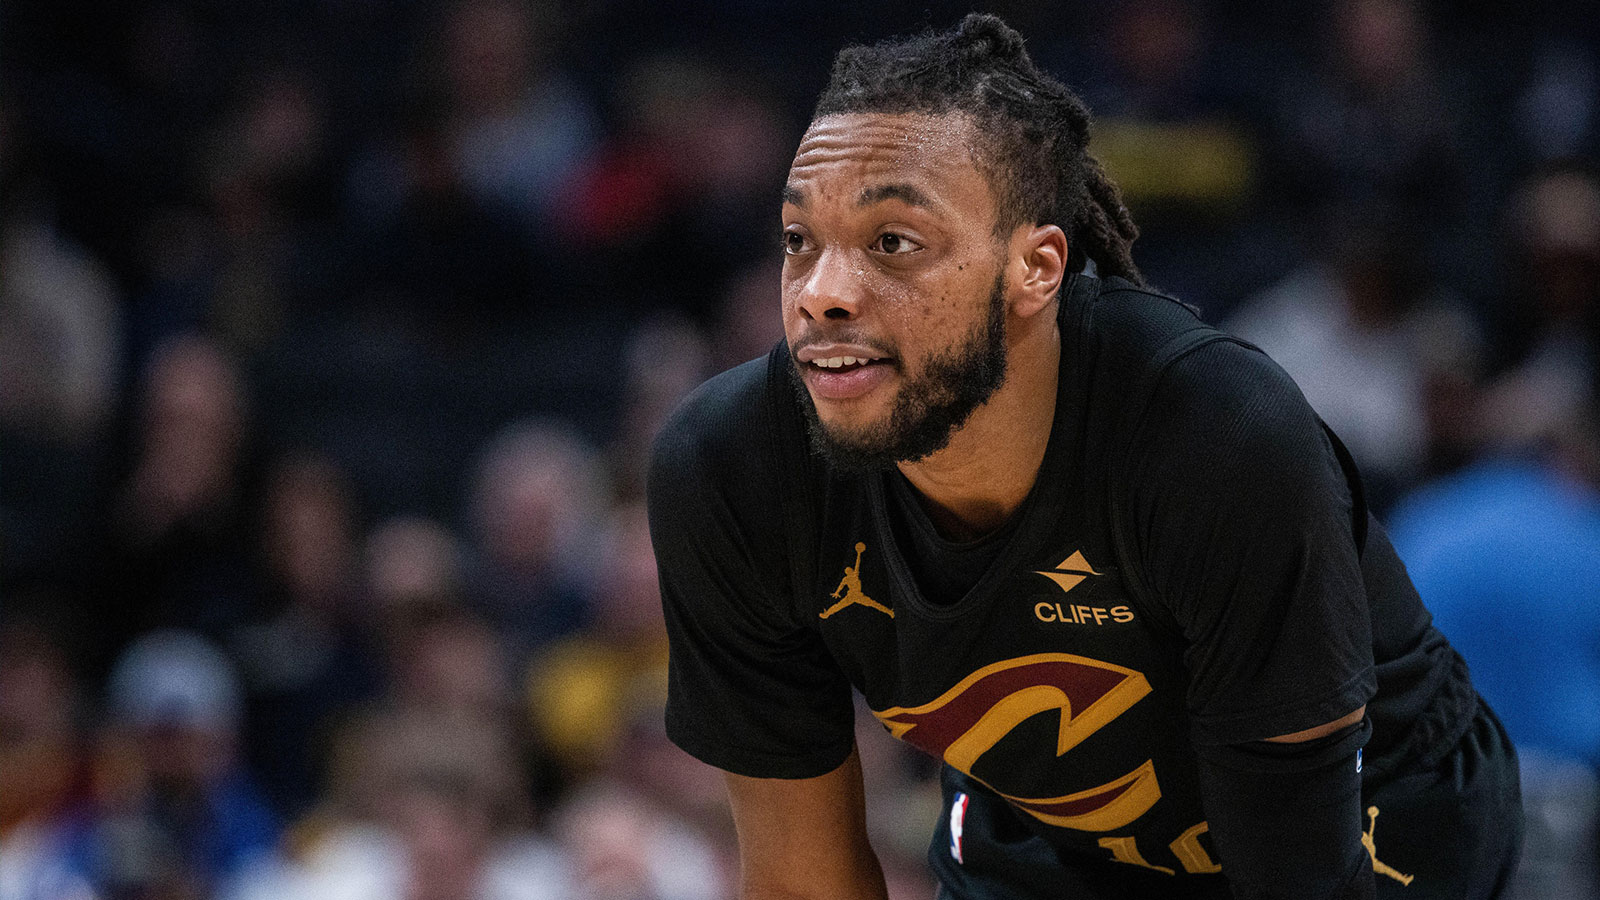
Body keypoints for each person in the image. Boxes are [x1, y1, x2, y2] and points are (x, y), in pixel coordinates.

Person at [646, 14, 1521, 900]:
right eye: (799, 242)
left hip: (1367, 816)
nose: (822, 294)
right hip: (1057, 843)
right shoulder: (732, 469)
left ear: (1036, 268)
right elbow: (803, 882)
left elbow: (1299, 875)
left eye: (893, 244)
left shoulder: (1214, 437)